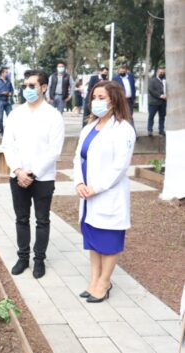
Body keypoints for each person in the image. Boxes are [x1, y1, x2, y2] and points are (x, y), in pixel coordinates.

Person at [73, 81, 135, 303]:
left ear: (114, 100)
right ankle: (94, 280)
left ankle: (104, 282)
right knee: (93, 240)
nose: (95, 102)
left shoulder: (123, 130)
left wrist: (95, 188)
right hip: (88, 196)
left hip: (107, 194)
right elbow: (78, 158)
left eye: (101, 98)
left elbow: (119, 167)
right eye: (94, 97)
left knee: (108, 241)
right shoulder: (89, 127)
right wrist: (79, 183)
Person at [3, 69, 65, 279]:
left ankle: (39, 260)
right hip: (18, 176)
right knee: (21, 219)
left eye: (32, 86)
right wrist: (18, 171)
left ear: (43, 87)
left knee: (42, 220)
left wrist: (33, 172)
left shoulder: (53, 115)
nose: (27, 89)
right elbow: (8, 145)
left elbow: (54, 150)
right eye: (25, 86)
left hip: (43, 178)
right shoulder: (15, 114)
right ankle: (23, 258)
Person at [0, 67, 14, 135]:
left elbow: (12, 90)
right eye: (6, 72)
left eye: (7, 72)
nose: (7, 73)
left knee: (11, 116)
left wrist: (11, 93)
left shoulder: (9, 81)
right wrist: (2, 93)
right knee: (0, 118)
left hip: (7, 101)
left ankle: (11, 131)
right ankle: (1, 131)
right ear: (2, 73)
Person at [147, 67, 167, 136]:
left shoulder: (166, 81)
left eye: (163, 72)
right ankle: (150, 130)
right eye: (160, 72)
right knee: (151, 117)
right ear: (157, 73)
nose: (162, 73)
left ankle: (161, 130)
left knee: (162, 117)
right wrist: (160, 96)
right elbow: (151, 90)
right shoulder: (152, 80)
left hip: (163, 103)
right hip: (154, 102)